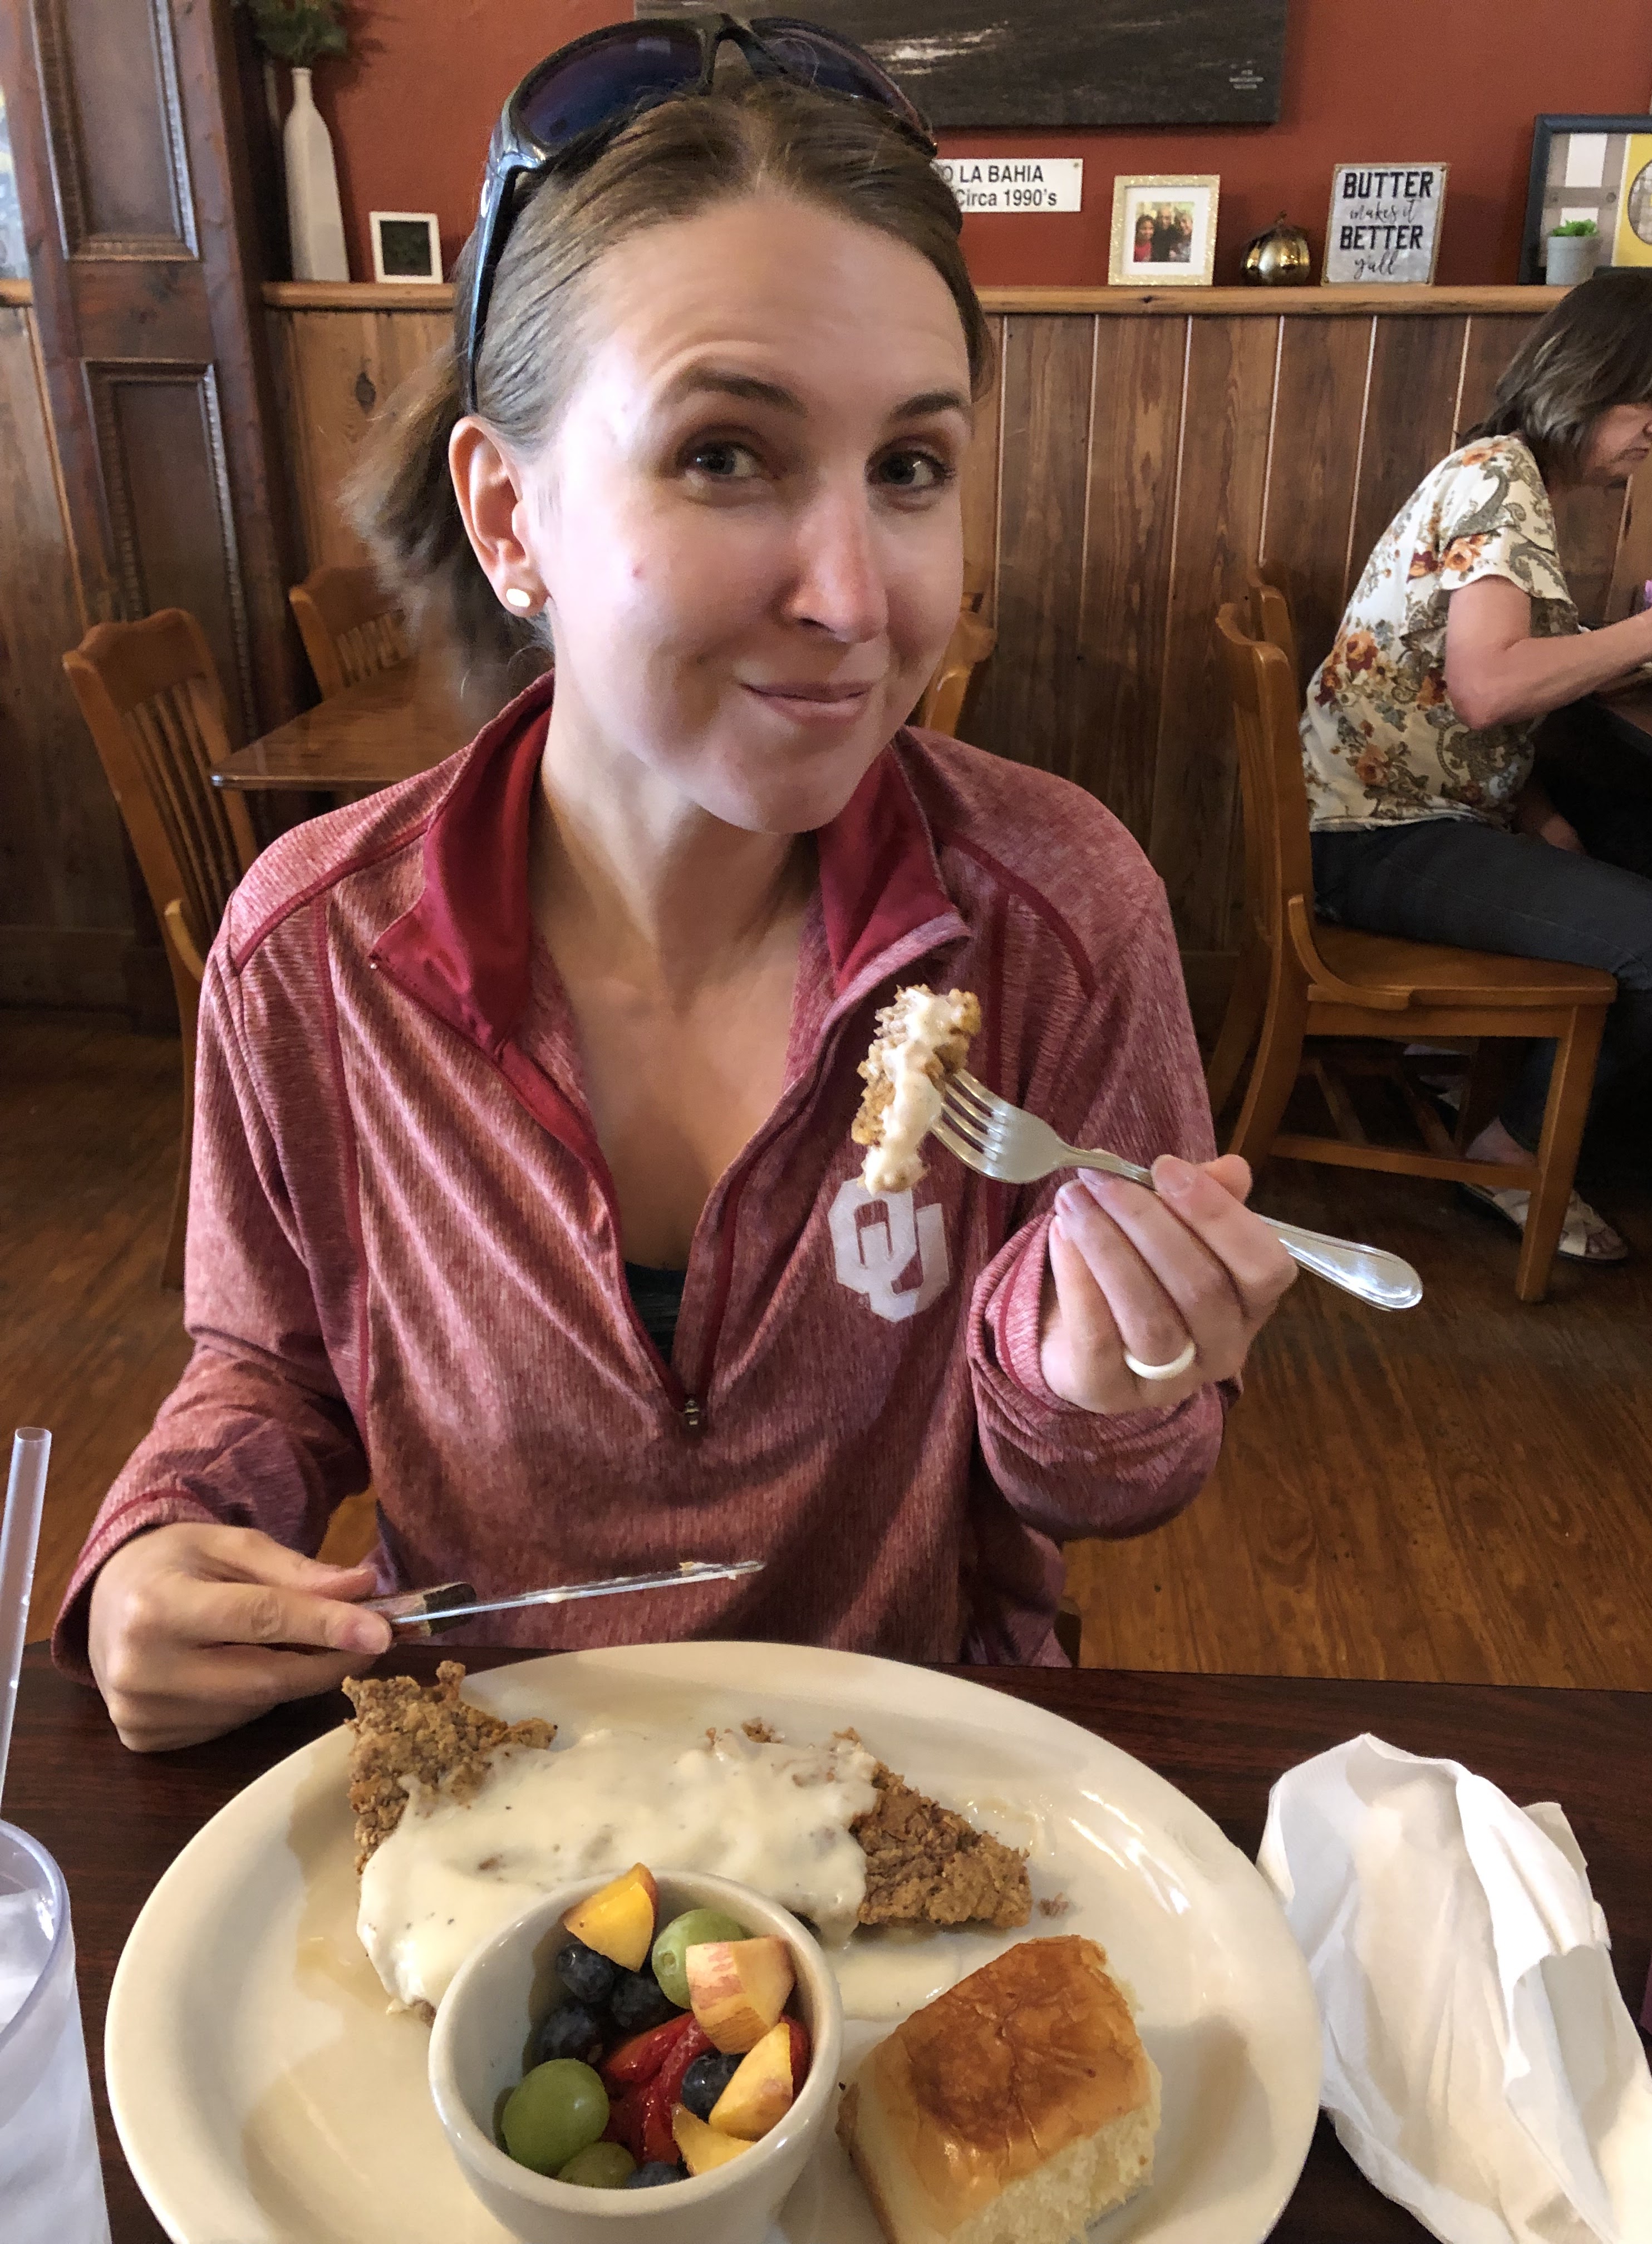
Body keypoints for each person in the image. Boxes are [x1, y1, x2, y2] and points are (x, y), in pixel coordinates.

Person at [61, 18, 1295, 1753]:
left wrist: (1109, 1381)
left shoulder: (1058, 916)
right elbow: (267, 1368)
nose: (858, 596)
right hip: (502, 1817)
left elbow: (1102, 1480)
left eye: (913, 466)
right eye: (727, 453)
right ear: (509, 518)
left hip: (916, 1794)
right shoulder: (309, 955)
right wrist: (159, 1554)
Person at [1301, 272, 1652, 1262]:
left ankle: (1566, 1125)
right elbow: (1490, 688)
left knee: (1641, 852)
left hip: (1404, 814)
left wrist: (1537, 802)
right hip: (1378, 839)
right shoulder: (1499, 482)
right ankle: (1511, 1154)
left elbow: (1474, 697)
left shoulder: (1501, 474)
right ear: (1594, 378)